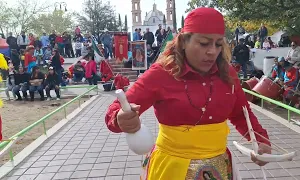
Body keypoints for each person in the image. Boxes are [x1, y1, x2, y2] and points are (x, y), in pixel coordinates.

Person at [105, 7, 271, 180]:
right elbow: (117, 109)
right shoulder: (161, 73)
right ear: (183, 41)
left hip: (219, 168)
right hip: (171, 168)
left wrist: (261, 142)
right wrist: (120, 118)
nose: (212, 51)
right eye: (204, 43)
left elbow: (241, 113)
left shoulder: (228, 74)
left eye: (218, 44)